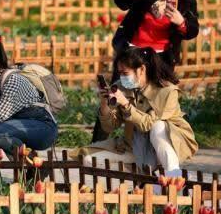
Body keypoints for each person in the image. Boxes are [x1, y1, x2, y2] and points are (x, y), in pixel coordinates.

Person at [93, 0, 202, 142]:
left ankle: (157, 143)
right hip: (133, 48)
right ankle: (98, 142)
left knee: (159, 99)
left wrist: (180, 22)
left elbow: (193, 29)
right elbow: (120, 0)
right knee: (114, 94)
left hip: (161, 55)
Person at [72, 47, 198, 177]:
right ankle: (142, 179)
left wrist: (126, 104)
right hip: (134, 146)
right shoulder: (121, 87)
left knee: (158, 126)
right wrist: (104, 103)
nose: (122, 77)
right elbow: (109, 127)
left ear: (142, 69)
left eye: (125, 73)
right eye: (119, 73)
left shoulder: (167, 91)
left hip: (164, 145)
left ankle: (173, 176)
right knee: (88, 160)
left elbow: (148, 124)